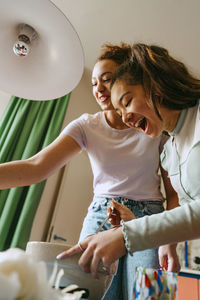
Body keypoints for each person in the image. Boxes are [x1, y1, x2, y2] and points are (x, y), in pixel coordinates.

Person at [0, 43, 179, 299]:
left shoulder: (152, 124)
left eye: (107, 79)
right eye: (94, 83)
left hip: (149, 216)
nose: (99, 89)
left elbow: (174, 194)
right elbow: (36, 166)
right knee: (85, 293)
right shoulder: (87, 125)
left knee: (154, 294)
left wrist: (169, 241)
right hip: (102, 215)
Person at [57, 42, 200, 281]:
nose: (127, 119)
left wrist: (128, 234)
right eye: (119, 112)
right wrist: (157, 235)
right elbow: (188, 211)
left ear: (153, 84)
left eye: (127, 101)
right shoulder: (170, 153)